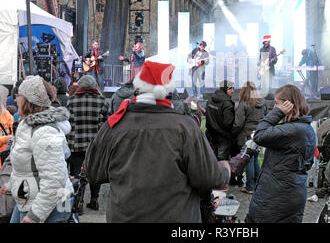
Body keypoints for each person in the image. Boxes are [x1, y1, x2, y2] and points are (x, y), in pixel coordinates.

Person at [84, 61, 231, 222]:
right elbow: (209, 178)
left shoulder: (113, 126)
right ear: (169, 91)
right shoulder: (185, 127)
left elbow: (92, 172)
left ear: (138, 89)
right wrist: (225, 169)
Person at [0, 75, 73, 223]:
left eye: (18, 95)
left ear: (28, 101)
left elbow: (54, 179)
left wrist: (35, 216)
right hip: (31, 200)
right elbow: (27, 165)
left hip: (47, 206)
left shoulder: (44, 131)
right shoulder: (28, 126)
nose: (15, 99)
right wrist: (12, 185)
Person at [246, 84, 316, 223]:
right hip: (286, 193)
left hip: (277, 197)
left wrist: (277, 113)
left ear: (288, 105)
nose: (275, 107)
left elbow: (259, 135)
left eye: (277, 104)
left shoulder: (294, 130)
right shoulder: (303, 128)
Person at [66, 75, 109, 213]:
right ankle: (94, 200)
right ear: (94, 86)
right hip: (95, 144)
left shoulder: (71, 101)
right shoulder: (102, 101)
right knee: (94, 171)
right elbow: (108, 124)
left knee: (78, 172)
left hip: (75, 143)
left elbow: (67, 123)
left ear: (80, 86)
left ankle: (79, 202)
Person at [232, 82, 267, 194]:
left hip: (246, 135)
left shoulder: (243, 104)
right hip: (259, 134)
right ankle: (259, 184)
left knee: (248, 160)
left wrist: (233, 133)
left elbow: (238, 123)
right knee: (255, 159)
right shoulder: (263, 103)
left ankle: (250, 186)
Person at [205, 80, 235, 161]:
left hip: (211, 136)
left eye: (233, 88)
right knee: (222, 164)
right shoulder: (227, 103)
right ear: (225, 89)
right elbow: (228, 123)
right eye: (230, 88)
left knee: (211, 162)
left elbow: (207, 118)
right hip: (223, 138)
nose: (233, 91)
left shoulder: (210, 100)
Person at [0, 86, 13, 168]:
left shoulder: (7, 114)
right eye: (5, 98)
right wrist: (4, 139)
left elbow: (13, 132)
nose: (6, 100)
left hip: (5, 160)